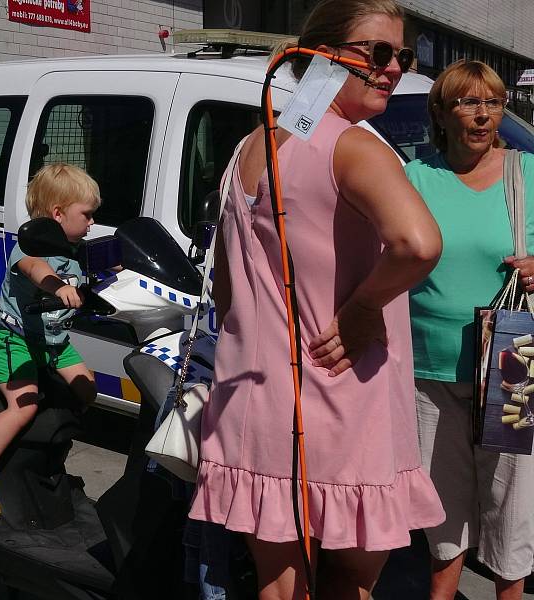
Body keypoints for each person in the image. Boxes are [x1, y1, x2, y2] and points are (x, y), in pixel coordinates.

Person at [187, 1, 446, 598]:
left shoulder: (247, 150)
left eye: (401, 56)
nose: (392, 69)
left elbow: (228, 290)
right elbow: (418, 242)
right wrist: (360, 309)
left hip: (251, 398)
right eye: (377, 53)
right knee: (351, 581)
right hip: (341, 397)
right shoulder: (352, 147)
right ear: (317, 54)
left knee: (278, 586)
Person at [407, 60, 534, 600]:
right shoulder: (415, 176)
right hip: (427, 367)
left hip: (511, 361)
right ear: (440, 110)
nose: (483, 115)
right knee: (443, 504)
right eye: (467, 102)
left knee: (512, 499)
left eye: (493, 103)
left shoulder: (525, 172)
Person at [0, 163, 99, 522]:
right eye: (88, 215)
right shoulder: (29, 248)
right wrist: (59, 287)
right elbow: (38, 271)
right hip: (15, 341)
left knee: (87, 388)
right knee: (23, 408)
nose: (93, 222)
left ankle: (47, 453)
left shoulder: (75, 246)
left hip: (53, 341)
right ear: (58, 213)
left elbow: (106, 267)